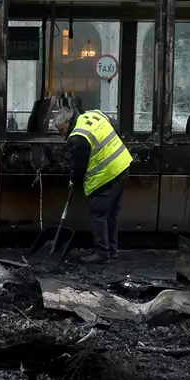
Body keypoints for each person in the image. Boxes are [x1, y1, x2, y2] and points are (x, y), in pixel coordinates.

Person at [53, 103, 133, 264]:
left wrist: (73, 181)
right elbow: (114, 124)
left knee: (98, 214)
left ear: (67, 122)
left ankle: (102, 253)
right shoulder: (92, 114)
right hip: (122, 165)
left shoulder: (77, 137)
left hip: (107, 173)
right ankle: (111, 250)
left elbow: (79, 166)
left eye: (61, 130)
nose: (63, 135)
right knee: (111, 214)